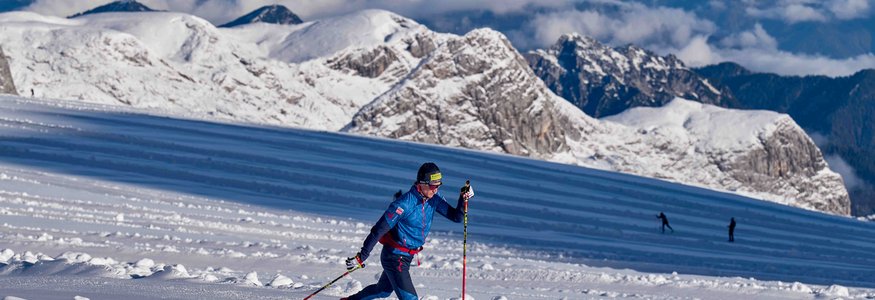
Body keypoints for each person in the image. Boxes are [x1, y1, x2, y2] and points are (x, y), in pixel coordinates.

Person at [341, 162, 473, 300]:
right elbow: (378, 230)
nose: (436, 190)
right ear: (422, 183)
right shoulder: (403, 204)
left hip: (407, 256)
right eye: (433, 186)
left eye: (439, 185)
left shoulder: (434, 199)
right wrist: (361, 257)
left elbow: (456, 217)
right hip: (394, 256)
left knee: (382, 291)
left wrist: (463, 199)